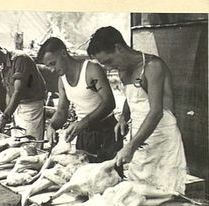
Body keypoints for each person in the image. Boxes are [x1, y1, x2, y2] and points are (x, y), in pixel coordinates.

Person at [87, 26, 187, 193]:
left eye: (109, 61)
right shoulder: (123, 71)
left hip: (163, 139)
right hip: (141, 140)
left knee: (165, 194)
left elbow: (156, 112)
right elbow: (133, 96)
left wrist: (131, 146)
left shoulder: (153, 66)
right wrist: (123, 117)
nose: (109, 68)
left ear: (118, 48)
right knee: (137, 193)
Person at [37, 37, 123, 162]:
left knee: (108, 177)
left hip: (106, 132)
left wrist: (82, 122)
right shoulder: (62, 79)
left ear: (63, 53)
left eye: (53, 63)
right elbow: (61, 111)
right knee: (82, 175)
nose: (52, 69)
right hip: (84, 134)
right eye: (48, 66)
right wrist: (51, 126)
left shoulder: (91, 69)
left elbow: (109, 103)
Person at [0, 38, 46, 140]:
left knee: (30, 145)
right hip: (17, 108)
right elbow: (9, 93)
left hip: (31, 109)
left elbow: (18, 91)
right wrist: (8, 113)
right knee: (16, 144)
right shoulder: (3, 66)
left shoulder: (20, 59)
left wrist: (5, 116)